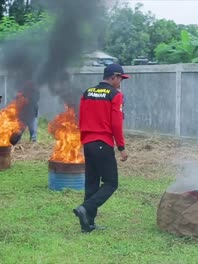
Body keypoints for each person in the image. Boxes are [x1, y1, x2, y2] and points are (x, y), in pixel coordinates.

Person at [73, 63, 129, 233]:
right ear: (113, 77)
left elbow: (81, 118)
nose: (121, 82)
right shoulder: (115, 95)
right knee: (111, 182)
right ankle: (85, 208)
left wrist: (83, 139)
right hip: (103, 143)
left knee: (91, 183)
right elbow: (116, 124)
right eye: (120, 78)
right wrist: (122, 147)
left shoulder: (87, 92)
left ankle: (88, 224)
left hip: (88, 143)